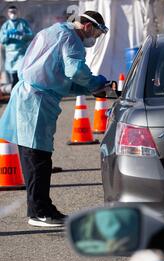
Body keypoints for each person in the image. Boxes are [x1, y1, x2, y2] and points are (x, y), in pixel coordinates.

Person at [0, 11, 109, 227]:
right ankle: (40, 212)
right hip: (36, 100)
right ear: (87, 26)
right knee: (38, 158)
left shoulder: (55, 31)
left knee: (32, 156)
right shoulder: (72, 39)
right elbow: (75, 70)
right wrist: (95, 82)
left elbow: (58, 75)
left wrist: (92, 89)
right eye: (96, 33)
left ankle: (41, 208)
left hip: (27, 94)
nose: (94, 38)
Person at [0, 6, 33, 88]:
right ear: (8, 13)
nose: (13, 14)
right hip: (10, 56)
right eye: (11, 12)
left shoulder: (23, 23)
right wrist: (7, 35)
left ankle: (18, 93)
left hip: (21, 53)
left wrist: (22, 35)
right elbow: (2, 40)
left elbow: (31, 36)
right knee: (14, 76)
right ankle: (14, 94)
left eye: (14, 12)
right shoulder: (5, 26)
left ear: (18, 12)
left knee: (21, 75)